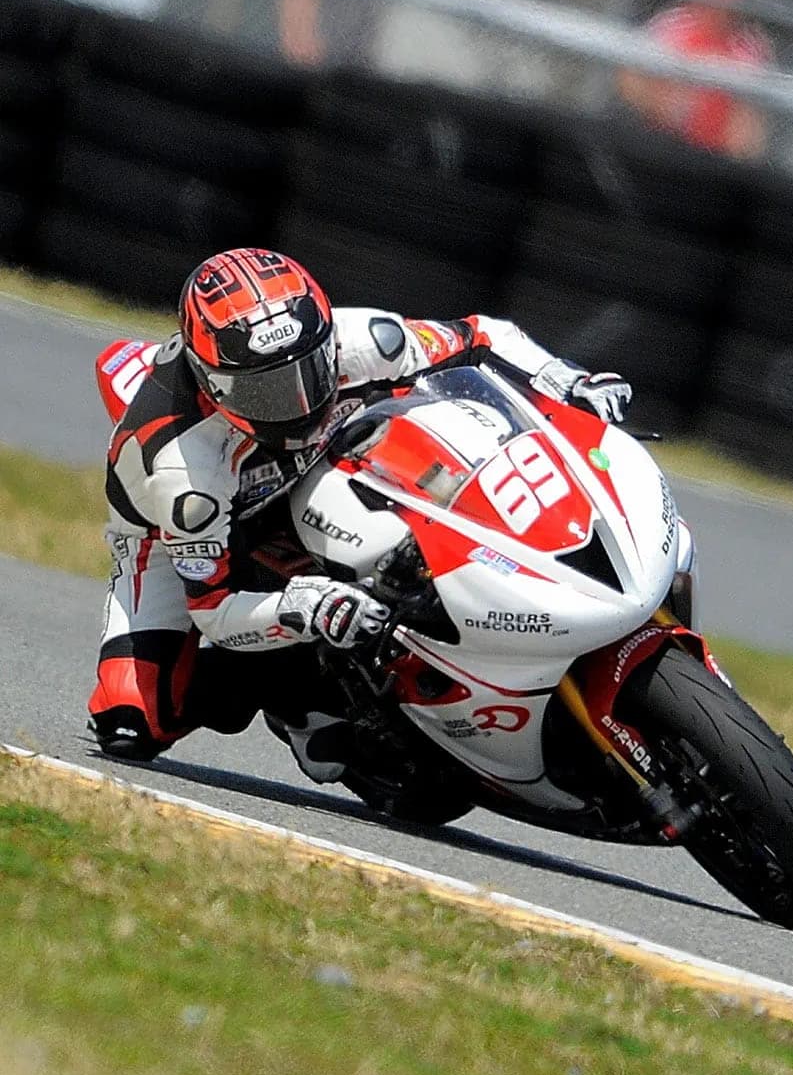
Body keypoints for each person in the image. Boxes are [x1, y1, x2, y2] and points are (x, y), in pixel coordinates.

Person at [87, 247, 633, 783]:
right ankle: (296, 701)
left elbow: (482, 337)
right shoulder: (184, 473)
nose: (299, 402)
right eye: (267, 390)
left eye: (309, 369)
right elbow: (213, 607)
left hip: (327, 466)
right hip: (192, 537)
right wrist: (303, 608)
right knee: (131, 721)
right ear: (213, 385)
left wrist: (569, 381)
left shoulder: (363, 340)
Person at [617, 0, 774, 160]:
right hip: (654, 140)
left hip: (710, 159)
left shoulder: (749, 48)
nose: (719, 10)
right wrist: (661, 106)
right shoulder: (673, 26)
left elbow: (750, 129)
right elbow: (628, 79)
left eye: (729, 2)